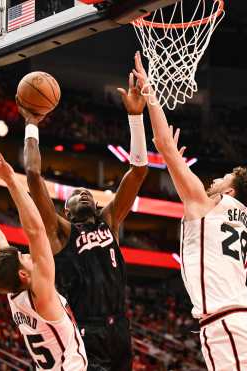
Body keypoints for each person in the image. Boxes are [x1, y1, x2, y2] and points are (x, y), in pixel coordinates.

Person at [132, 51, 247, 371]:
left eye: (223, 179)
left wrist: (148, 90)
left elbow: (162, 142)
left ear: (231, 191)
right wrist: (179, 169)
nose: (215, 180)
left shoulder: (206, 204)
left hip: (226, 326)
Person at [17, 72, 149, 371]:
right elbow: (34, 176)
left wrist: (136, 117)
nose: (84, 194)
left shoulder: (110, 220)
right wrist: (32, 125)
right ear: (65, 210)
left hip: (120, 328)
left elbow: (139, 171)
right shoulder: (60, 233)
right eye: (76, 193)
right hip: (86, 331)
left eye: (88, 192)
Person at [0, 151, 87, 370]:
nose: (27, 255)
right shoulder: (42, 294)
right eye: (23, 257)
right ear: (23, 274)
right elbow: (36, 231)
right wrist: (10, 179)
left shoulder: (14, 291)